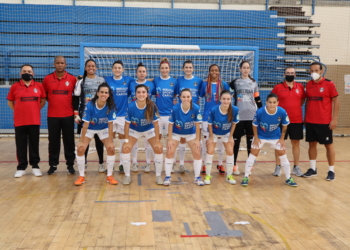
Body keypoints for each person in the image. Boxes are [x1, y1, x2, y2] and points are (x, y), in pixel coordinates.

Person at [241, 93, 297, 187]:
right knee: (252, 155)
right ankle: (246, 176)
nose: (272, 104)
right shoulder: (260, 112)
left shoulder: (282, 112)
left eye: (274, 102)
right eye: (270, 102)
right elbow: (254, 125)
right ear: (266, 102)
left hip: (275, 137)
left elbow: (285, 125)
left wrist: (282, 139)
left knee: (283, 156)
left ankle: (288, 178)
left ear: (277, 103)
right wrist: (256, 137)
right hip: (261, 136)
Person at [74, 83, 117, 186]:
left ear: (109, 95)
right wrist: (81, 141)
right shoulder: (90, 105)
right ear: (97, 93)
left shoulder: (110, 106)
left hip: (103, 129)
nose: (104, 94)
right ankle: (81, 176)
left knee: (111, 148)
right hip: (89, 128)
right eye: (102, 92)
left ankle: (109, 176)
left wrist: (110, 140)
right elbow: (85, 124)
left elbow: (110, 125)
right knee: (80, 148)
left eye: (106, 92)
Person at [7, 64, 46, 178]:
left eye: (29, 71)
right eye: (24, 71)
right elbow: (10, 102)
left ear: (33, 74)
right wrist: (19, 110)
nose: (27, 73)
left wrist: (33, 109)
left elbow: (42, 101)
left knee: (34, 144)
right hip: (19, 121)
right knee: (21, 145)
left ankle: (35, 166)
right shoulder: (15, 86)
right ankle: (21, 167)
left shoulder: (39, 86)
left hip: (34, 120)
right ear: (20, 73)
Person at [121, 84, 163, 185]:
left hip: (148, 130)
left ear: (147, 94)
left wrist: (157, 141)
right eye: (139, 92)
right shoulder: (130, 106)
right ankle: (127, 176)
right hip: (134, 130)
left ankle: (158, 176)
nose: (141, 94)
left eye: (143, 92)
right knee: (125, 148)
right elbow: (127, 125)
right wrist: (126, 141)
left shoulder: (152, 106)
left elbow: (156, 125)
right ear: (135, 94)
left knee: (158, 148)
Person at [303, 62, 339, 181]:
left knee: (328, 145)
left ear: (321, 71)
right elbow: (307, 101)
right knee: (312, 144)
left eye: (316, 70)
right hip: (310, 121)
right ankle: (313, 169)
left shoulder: (329, 84)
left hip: (324, 121)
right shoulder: (308, 85)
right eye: (311, 71)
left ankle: (331, 170)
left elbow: (336, 102)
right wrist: (305, 117)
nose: (313, 73)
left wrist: (334, 119)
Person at [42, 56, 77, 174]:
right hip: (52, 116)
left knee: (69, 141)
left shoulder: (72, 79)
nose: (60, 65)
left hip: (68, 115)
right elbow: (45, 95)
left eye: (62, 63)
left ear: (66, 65)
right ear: (54, 64)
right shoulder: (47, 79)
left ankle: (70, 164)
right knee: (53, 141)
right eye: (58, 63)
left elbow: (76, 96)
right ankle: (53, 165)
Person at [163, 88, 203, 186]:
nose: (186, 99)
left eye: (188, 97)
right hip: (176, 133)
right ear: (180, 97)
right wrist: (170, 139)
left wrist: (197, 140)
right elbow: (170, 124)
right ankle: (168, 176)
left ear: (191, 97)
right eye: (184, 97)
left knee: (197, 151)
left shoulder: (196, 108)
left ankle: (197, 177)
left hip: (190, 133)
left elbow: (198, 125)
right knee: (170, 151)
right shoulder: (175, 108)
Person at [229, 60, 262, 176]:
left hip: (251, 116)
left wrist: (261, 112)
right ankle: (233, 165)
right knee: (236, 142)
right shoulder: (235, 82)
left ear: (250, 69)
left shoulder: (254, 83)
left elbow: (257, 99)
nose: (245, 69)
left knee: (250, 142)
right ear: (240, 69)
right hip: (239, 116)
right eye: (244, 67)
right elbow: (226, 92)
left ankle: (249, 166)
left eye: (247, 67)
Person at [271, 67, 305, 177]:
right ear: (284, 75)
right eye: (288, 73)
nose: (290, 74)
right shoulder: (278, 87)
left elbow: (303, 99)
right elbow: (273, 101)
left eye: (292, 73)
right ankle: (278, 167)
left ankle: (296, 167)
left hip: (296, 120)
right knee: (279, 143)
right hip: (280, 121)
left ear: (295, 75)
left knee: (296, 143)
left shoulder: (300, 87)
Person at [73, 59, 105, 173]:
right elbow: (76, 97)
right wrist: (76, 114)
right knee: (85, 140)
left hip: (98, 114)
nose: (91, 67)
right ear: (86, 68)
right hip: (85, 115)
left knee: (99, 140)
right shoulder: (81, 81)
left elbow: (105, 96)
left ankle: (101, 163)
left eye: (93, 66)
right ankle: (84, 162)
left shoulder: (101, 80)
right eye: (89, 66)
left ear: (96, 68)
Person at [199, 64, 230, 175]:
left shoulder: (223, 85)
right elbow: (199, 97)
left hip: (221, 117)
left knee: (221, 142)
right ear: (209, 72)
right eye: (212, 70)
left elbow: (228, 100)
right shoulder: (204, 85)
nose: (214, 72)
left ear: (219, 72)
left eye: (216, 70)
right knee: (207, 142)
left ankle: (220, 164)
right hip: (207, 117)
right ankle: (204, 165)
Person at [204, 90, 239, 185]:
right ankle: (207, 175)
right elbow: (210, 124)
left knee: (230, 151)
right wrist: (211, 137)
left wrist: (231, 137)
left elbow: (234, 124)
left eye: (228, 99)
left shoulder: (235, 110)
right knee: (210, 151)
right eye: (224, 99)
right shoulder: (214, 110)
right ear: (220, 99)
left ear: (231, 99)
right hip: (214, 132)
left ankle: (229, 176)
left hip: (226, 133)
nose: (226, 101)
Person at [105, 60, 134, 174]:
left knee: (123, 141)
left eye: (119, 68)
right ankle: (110, 164)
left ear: (123, 70)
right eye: (115, 68)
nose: (117, 69)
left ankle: (122, 164)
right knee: (110, 141)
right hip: (110, 115)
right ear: (112, 69)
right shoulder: (107, 80)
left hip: (123, 116)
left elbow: (141, 81)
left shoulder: (128, 80)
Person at [174, 60, 203, 173]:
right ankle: (180, 164)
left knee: (195, 140)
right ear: (183, 68)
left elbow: (200, 96)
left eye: (190, 67)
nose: (188, 69)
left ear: (193, 68)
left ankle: (200, 166)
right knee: (181, 139)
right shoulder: (179, 80)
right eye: (186, 67)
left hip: (193, 113)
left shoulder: (199, 81)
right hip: (181, 112)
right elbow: (176, 96)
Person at [152, 58, 178, 173]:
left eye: (166, 68)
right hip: (158, 115)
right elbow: (147, 83)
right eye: (162, 68)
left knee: (171, 140)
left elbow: (177, 97)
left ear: (169, 69)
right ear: (159, 69)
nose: (164, 70)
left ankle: (171, 162)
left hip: (170, 115)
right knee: (157, 139)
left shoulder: (174, 82)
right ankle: (156, 162)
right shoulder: (156, 81)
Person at [128, 63, 155, 173]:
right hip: (134, 115)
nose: (142, 73)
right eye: (140, 71)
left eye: (143, 71)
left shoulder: (151, 84)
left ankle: (148, 163)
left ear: (146, 73)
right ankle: (134, 163)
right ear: (136, 73)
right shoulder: (131, 83)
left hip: (147, 114)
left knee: (147, 143)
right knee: (133, 143)